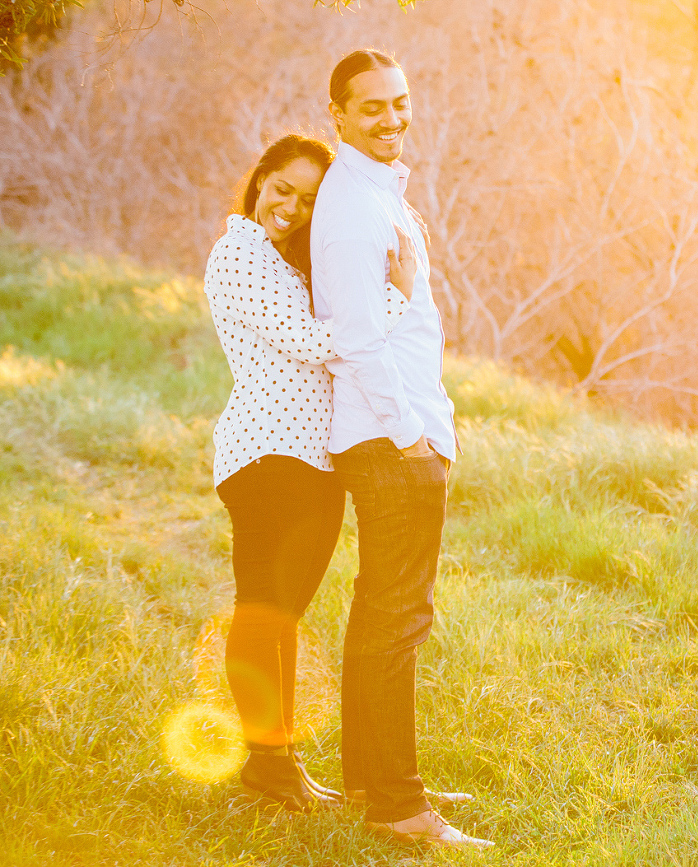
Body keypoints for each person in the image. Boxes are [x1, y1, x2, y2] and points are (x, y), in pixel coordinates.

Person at [310, 50, 493, 849]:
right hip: (390, 439)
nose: (391, 117)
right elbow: (353, 336)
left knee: (381, 614)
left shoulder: (377, 193)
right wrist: (409, 433)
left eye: (400, 102)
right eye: (372, 107)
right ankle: (398, 806)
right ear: (339, 117)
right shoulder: (351, 203)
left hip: (401, 429)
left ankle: (371, 783)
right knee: (397, 618)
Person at [203, 133, 417, 812]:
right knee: (265, 611)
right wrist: (395, 297)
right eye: (281, 188)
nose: (289, 206)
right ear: (259, 178)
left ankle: (276, 763)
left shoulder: (281, 260)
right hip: (270, 454)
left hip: (307, 458)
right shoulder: (240, 250)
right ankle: (268, 765)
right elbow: (312, 343)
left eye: (307, 197)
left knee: (280, 614)